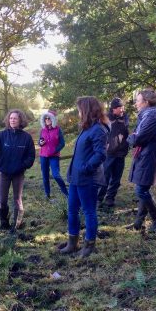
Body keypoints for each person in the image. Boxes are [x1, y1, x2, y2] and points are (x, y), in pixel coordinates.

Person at [59, 96, 109, 258]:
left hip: (88, 179)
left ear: (86, 110)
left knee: (89, 212)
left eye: (80, 109)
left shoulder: (98, 129)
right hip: (76, 178)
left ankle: (89, 245)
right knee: (72, 211)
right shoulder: (87, 128)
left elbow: (100, 154)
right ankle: (72, 243)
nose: (78, 112)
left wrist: (86, 168)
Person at [0, 109, 35, 233]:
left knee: (17, 200)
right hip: (4, 173)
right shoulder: (1, 135)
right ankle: (4, 223)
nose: (12, 120)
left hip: (18, 174)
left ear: (20, 120)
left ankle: (16, 225)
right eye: (11, 118)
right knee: (2, 201)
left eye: (15, 118)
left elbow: (31, 157)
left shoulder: (27, 138)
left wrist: (22, 166)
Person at [127, 89, 156, 232]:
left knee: (141, 190)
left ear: (146, 102)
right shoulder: (147, 115)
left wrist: (131, 137)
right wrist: (133, 136)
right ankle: (139, 221)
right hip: (146, 155)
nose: (136, 104)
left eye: (138, 101)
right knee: (142, 188)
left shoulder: (152, 116)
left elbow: (138, 138)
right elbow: (136, 135)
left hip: (150, 157)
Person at [97, 97, 129, 208]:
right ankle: (98, 199)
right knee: (104, 177)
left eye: (122, 107)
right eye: (120, 107)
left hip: (121, 153)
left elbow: (126, 133)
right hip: (109, 154)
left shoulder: (125, 117)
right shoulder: (106, 118)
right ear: (113, 109)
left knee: (116, 178)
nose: (122, 109)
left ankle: (110, 198)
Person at [38, 110, 69, 199]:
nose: (47, 120)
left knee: (56, 175)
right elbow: (40, 142)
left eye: (49, 118)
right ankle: (47, 195)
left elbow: (62, 143)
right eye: (45, 118)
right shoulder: (42, 130)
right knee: (45, 176)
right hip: (43, 155)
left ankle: (66, 193)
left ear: (53, 119)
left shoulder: (58, 129)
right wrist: (41, 143)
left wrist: (55, 150)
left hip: (54, 156)